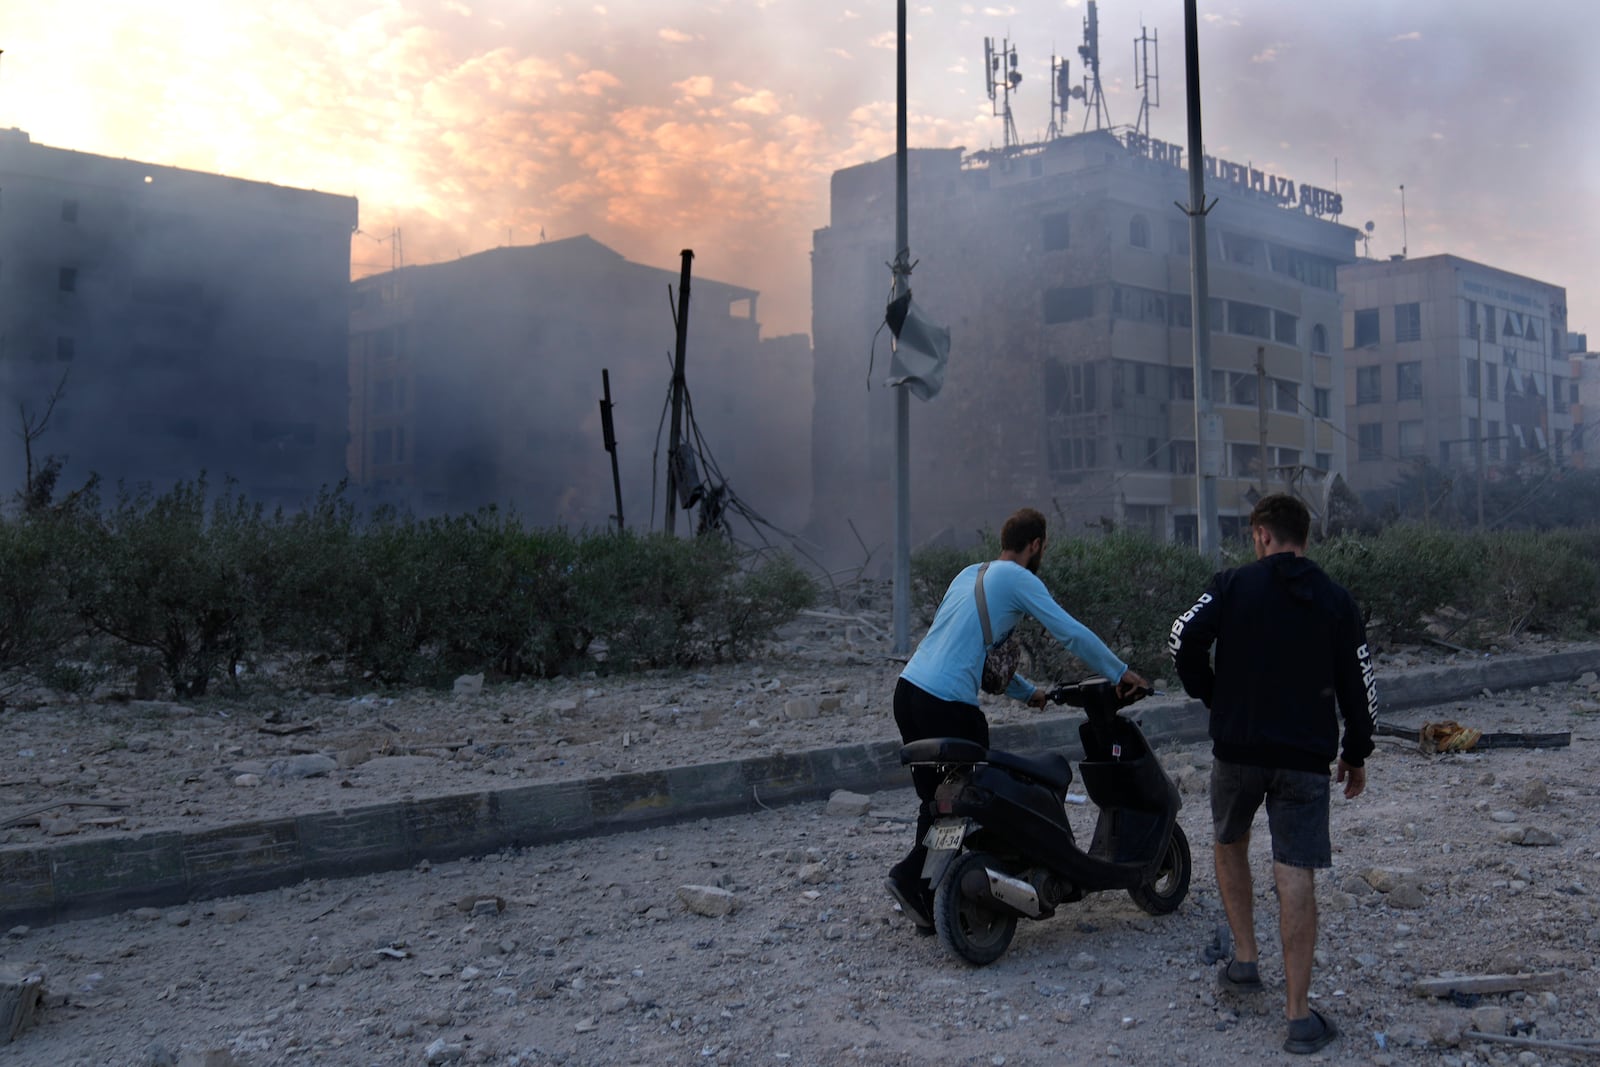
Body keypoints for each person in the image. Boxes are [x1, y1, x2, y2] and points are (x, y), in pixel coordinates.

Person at [1168, 493, 1376, 1056]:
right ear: (1305, 537)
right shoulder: (1336, 599)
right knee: (1295, 872)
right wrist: (1357, 753)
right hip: (1305, 760)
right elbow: (1361, 688)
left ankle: (1245, 961)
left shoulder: (1233, 585)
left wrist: (1212, 694)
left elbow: (1182, 638)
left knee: (1229, 843)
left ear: (1260, 533)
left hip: (1237, 751)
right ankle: (1299, 1017)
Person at [885, 507, 1149, 934]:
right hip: (948, 702)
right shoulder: (1019, 578)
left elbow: (975, 655)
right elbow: (1070, 632)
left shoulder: (968, 575)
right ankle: (921, 876)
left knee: (939, 802)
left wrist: (1030, 694)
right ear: (1037, 544)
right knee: (977, 793)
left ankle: (927, 893)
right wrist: (1120, 671)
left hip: (910, 692)